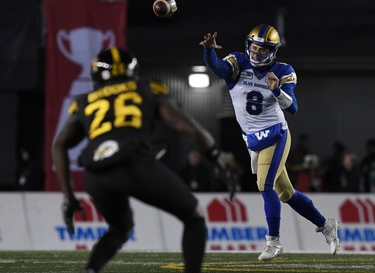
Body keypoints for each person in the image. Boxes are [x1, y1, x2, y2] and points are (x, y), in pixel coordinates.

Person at [52, 46, 233, 273]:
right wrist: (215, 156)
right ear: (133, 71)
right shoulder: (147, 87)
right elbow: (186, 127)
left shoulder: (84, 101)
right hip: (132, 164)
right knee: (194, 215)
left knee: (119, 228)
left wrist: (68, 196)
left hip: (96, 174)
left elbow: (58, 144)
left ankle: (91, 270)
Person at [199, 24, 340, 261]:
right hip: (253, 139)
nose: (255, 53)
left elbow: (293, 108)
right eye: (253, 48)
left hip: (275, 133)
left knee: (265, 186)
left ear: (272, 52)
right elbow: (218, 68)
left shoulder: (282, 71)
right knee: (287, 194)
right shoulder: (239, 63)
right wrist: (208, 51)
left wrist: (276, 91)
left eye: (261, 50)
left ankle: (273, 242)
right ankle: (326, 225)